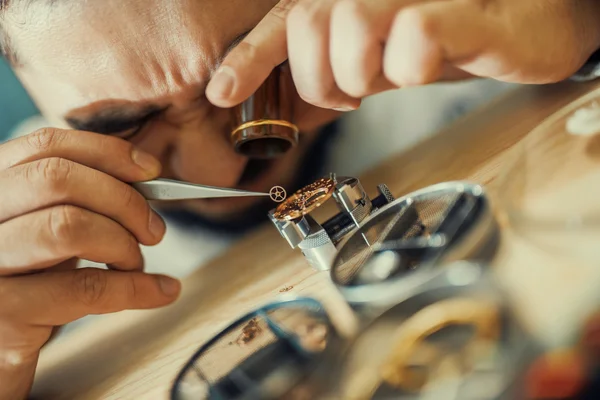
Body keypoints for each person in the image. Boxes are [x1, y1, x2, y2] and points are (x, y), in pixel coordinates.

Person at [0, 0, 599, 398]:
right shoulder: (21, 233)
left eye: (253, 79)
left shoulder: (451, 23)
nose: (225, 165)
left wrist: (584, 25)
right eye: (125, 125)